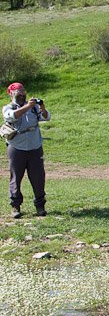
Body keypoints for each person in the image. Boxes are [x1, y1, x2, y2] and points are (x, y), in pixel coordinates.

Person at [2, 83, 51, 218]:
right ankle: (15, 207)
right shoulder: (9, 108)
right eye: (19, 92)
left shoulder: (34, 108)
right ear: (12, 94)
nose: (22, 94)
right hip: (16, 148)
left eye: (23, 91)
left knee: (38, 178)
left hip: (35, 147)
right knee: (16, 178)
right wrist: (27, 107)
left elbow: (46, 117)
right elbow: (11, 116)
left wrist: (42, 107)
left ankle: (40, 206)